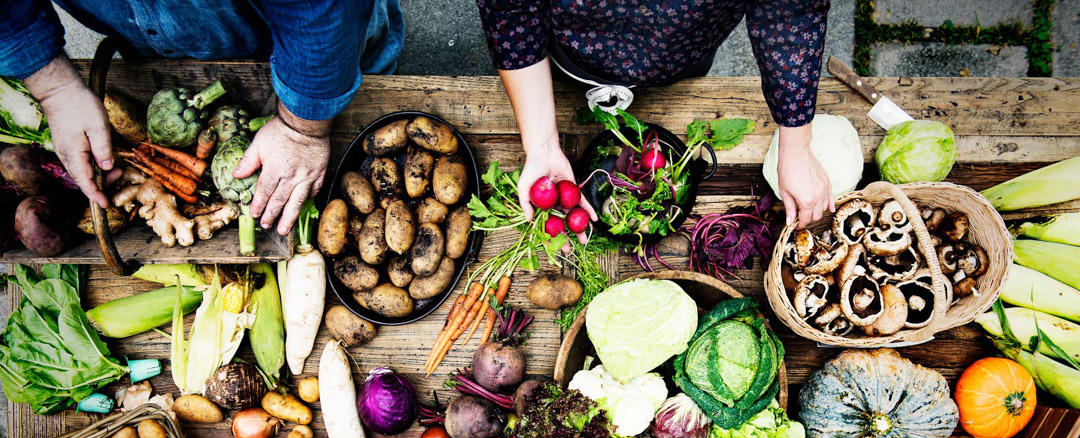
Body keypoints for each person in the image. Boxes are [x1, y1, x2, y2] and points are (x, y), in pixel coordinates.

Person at [0, 0, 403, 235]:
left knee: (361, 90)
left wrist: (302, 128)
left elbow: (323, 9)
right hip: (152, 43)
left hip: (322, 40)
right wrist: (54, 86)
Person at [475, 0, 835, 230]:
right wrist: (540, 144)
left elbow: (790, 11)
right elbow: (511, 11)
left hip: (682, 54)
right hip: (566, 53)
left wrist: (797, 143)